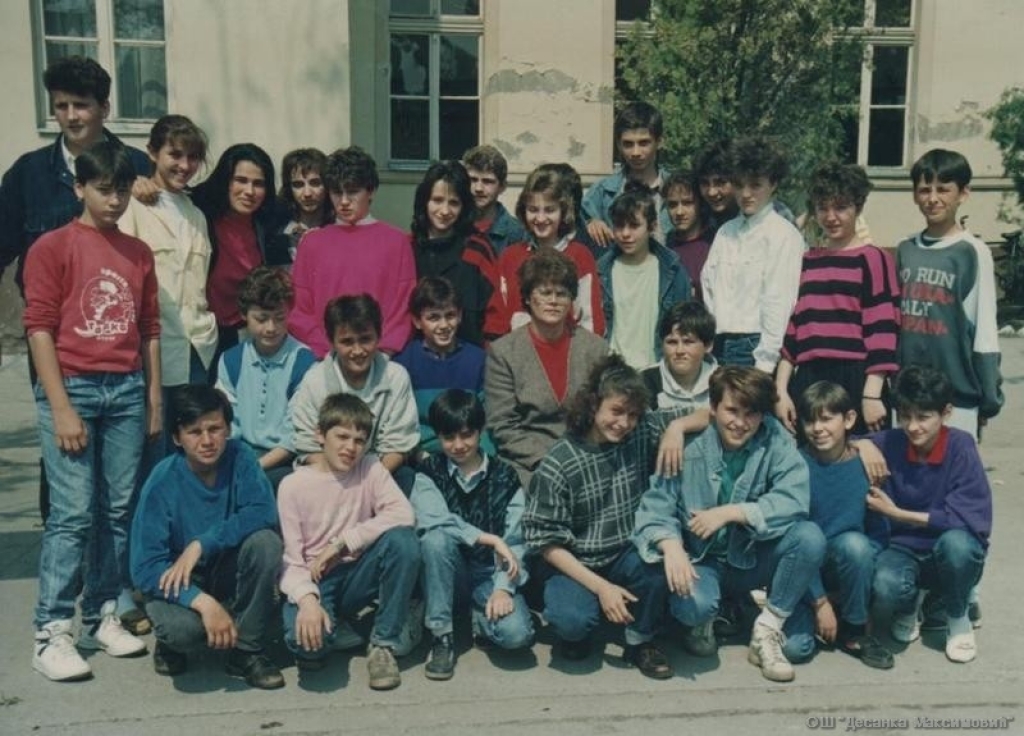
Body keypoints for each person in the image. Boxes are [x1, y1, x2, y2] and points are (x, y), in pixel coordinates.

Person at [25, 142, 160, 682]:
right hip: (74, 388)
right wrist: (60, 407)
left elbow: (149, 329)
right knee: (73, 512)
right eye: (103, 190)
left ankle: (103, 612)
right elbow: (39, 328)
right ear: (79, 188)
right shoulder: (52, 247)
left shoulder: (138, 252)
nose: (115, 200)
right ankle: (51, 630)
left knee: (118, 508)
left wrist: (153, 399)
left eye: (122, 190)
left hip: (126, 389)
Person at [0, 55, 151, 523]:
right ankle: (65, 552)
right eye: (61, 105)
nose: (70, 115)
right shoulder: (28, 174)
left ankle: (114, 565)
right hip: (54, 342)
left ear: (104, 107)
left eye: (81, 105)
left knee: (121, 485)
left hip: (119, 350)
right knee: (63, 464)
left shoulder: (139, 168)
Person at [633, 366, 825, 683]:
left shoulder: (775, 439)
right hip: (701, 561)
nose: (740, 423)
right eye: (732, 411)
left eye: (751, 414)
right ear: (712, 407)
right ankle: (706, 617)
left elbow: (793, 500)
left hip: (750, 558)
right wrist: (671, 546)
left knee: (809, 537)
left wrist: (732, 512)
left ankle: (767, 629)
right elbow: (655, 508)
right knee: (694, 607)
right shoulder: (685, 443)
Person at [523, 354, 693, 679]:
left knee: (659, 569)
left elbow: (705, 413)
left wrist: (677, 427)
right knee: (572, 621)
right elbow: (547, 544)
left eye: (633, 414)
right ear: (593, 405)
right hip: (575, 559)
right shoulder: (560, 462)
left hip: (624, 550)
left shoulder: (640, 431)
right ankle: (584, 626)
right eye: (616, 411)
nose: (624, 423)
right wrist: (602, 588)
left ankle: (640, 639)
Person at [130, 385, 284, 689]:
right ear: (177, 437)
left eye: (215, 429)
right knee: (183, 631)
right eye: (194, 432)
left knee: (266, 543)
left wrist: (202, 543)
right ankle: (169, 643)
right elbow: (145, 567)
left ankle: (246, 650)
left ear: (228, 428)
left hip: (224, 567)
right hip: (180, 580)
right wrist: (200, 601)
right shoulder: (162, 480)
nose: (207, 441)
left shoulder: (240, 456)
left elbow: (263, 511)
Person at [278, 393, 420, 690]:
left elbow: (403, 514)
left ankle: (383, 642)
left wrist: (343, 542)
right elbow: (291, 561)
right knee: (306, 644)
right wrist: (308, 601)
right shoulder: (293, 485)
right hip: (315, 578)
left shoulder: (370, 468)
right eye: (341, 437)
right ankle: (340, 626)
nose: (350, 448)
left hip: (356, 572)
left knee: (403, 541)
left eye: (359, 440)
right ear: (320, 435)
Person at [867, 365, 992, 664]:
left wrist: (896, 513)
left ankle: (957, 614)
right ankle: (912, 603)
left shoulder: (961, 445)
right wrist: (861, 445)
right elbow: (841, 440)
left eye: (923, 417)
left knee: (958, 545)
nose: (912, 427)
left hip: (946, 548)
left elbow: (966, 519)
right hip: (902, 549)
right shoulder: (891, 441)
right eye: (905, 416)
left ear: (946, 412)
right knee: (885, 584)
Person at [411, 390, 534, 680]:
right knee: (435, 538)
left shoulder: (505, 475)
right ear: (438, 436)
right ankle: (441, 634)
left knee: (516, 635)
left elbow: (516, 540)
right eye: (448, 437)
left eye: (466, 435)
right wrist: (489, 538)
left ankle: (480, 615)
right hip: (446, 572)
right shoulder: (429, 471)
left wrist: (503, 588)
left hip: (489, 572)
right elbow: (434, 519)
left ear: (480, 431)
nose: (458, 445)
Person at [774, 162, 900, 437]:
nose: (831, 217)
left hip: (855, 378)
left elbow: (883, 329)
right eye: (823, 208)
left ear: (858, 207)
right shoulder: (807, 260)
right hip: (809, 378)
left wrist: (872, 394)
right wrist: (781, 390)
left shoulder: (873, 258)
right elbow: (795, 330)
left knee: (863, 457)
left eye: (841, 207)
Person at [118, 115, 218, 447]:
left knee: (194, 450)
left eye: (193, 157)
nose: (184, 165)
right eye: (175, 154)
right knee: (154, 448)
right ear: (152, 152)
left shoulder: (196, 214)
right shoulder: (132, 206)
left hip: (197, 348)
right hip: (155, 350)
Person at [782, 381, 893, 670]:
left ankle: (855, 628)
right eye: (810, 421)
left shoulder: (866, 465)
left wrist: (854, 582)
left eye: (827, 419)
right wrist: (820, 601)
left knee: (856, 545)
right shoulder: (796, 466)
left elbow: (878, 532)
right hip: (804, 571)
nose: (818, 429)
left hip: (847, 565)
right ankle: (816, 614)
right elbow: (791, 541)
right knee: (796, 650)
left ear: (849, 419)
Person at [896, 148, 1003, 440]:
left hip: (956, 397)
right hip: (907, 396)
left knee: (953, 467)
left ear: (963, 194)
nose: (933, 198)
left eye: (943, 189)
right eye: (924, 190)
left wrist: (989, 395)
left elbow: (984, 332)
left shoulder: (972, 251)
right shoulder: (905, 248)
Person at [485, 250, 609, 488]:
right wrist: (548, 462)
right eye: (545, 292)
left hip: (585, 458)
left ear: (571, 300)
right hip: (527, 464)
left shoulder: (596, 349)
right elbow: (503, 425)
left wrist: (580, 459)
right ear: (527, 298)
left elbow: (604, 414)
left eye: (562, 294)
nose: (553, 301)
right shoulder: (503, 353)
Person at [288, 146, 416, 358]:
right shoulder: (311, 244)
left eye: (353, 191)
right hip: (325, 359)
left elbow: (404, 308)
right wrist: (327, 351)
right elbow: (299, 309)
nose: (344, 201)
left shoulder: (397, 242)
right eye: (337, 192)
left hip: (381, 359)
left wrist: (382, 352)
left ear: (371, 191)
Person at [700, 136, 804, 372]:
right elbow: (709, 287)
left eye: (755, 185)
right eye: (739, 185)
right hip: (718, 343)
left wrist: (765, 363)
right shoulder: (725, 232)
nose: (746, 194)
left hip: (755, 346)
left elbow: (779, 301)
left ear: (773, 184)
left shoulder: (782, 235)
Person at [290, 294, 419, 479]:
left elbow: (398, 444)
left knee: (406, 476)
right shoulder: (315, 380)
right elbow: (308, 445)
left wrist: (366, 484)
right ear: (332, 342)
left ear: (379, 336)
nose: (358, 351)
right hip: (328, 472)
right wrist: (342, 483)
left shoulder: (395, 377)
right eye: (347, 342)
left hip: (378, 471)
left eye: (365, 339)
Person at [214, 266, 316, 490]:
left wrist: (253, 468)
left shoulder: (304, 362)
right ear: (244, 315)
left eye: (279, 318)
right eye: (261, 319)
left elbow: (294, 435)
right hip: (240, 453)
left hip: (285, 460)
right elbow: (227, 423)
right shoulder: (231, 360)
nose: (271, 328)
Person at [193, 143, 277, 364]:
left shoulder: (267, 224)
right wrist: (141, 183)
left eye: (258, 184)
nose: (249, 191)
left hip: (246, 333)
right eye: (241, 180)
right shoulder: (200, 213)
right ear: (225, 181)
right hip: (204, 334)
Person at [497, 166, 605, 336]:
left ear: (563, 211)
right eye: (533, 210)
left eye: (549, 210)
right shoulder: (510, 257)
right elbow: (500, 317)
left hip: (569, 349)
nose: (540, 218)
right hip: (518, 349)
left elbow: (591, 322)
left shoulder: (580, 256)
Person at [392, 276, 487, 458]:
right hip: (421, 455)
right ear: (417, 321)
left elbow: (486, 421)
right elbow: (401, 425)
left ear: (460, 315)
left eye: (450, 316)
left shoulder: (478, 360)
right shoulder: (403, 363)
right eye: (433, 318)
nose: (444, 325)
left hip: (469, 452)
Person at [409, 160, 502, 346]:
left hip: (470, 355)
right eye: (437, 200)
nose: (445, 211)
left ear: (464, 207)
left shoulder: (477, 250)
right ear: (424, 201)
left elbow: (496, 312)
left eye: (454, 203)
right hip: (414, 355)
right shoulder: (407, 248)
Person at [597, 188, 692, 369]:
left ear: (652, 227)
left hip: (656, 368)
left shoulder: (673, 271)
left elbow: (685, 326)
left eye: (634, 226)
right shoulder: (601, 271)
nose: (625, 233)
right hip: (613, 369)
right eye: (619, 226)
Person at [581, 101, 673, 246]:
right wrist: (590, 223)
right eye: (628, 144)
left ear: (659, 142)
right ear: (618, 144)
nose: (635, 152)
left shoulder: (675, 189)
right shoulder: (602, 193)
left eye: (643, 143)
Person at [640, 301, 716, 432]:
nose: (679, 351)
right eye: (672, 342)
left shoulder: (724, 382)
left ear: (708, 346)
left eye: (688, 342)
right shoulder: (645, 382)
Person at [267, 147, 333, 267]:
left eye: (315, 183)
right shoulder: (276, 233)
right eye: (298, 185)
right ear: (289, 188)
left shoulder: (339, 229)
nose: (307, 193)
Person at [462, 144, 527, 255]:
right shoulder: (453, 225)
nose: (478, 188)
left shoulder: (518, 234)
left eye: (487, 181)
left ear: (502, 187)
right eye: (473, 180)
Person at [661, 170, 712, 303]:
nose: (679, 212)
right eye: (673, 205)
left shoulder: (715, 243)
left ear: (700, 204)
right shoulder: (665, 247)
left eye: (687, 203)